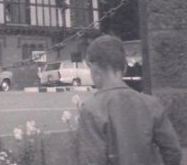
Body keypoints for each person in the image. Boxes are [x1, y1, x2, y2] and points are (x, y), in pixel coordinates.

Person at [78, 35, 182, 165]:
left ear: (95, 69)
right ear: (125, 68)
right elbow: (173, 152)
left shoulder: (91, 109)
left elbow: (91, 160)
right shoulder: (151, 104)